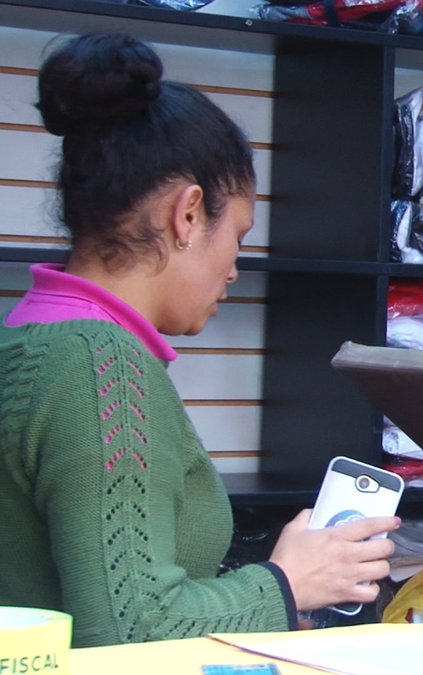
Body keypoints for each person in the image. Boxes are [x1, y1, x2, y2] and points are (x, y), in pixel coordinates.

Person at [0, 33, 399, 647]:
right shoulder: (102, 368)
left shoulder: (33, 336)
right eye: (237, 236)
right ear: (186, 214)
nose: (234, 268)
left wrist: (262, 600)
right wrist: (287, 583)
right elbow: (132, 632)